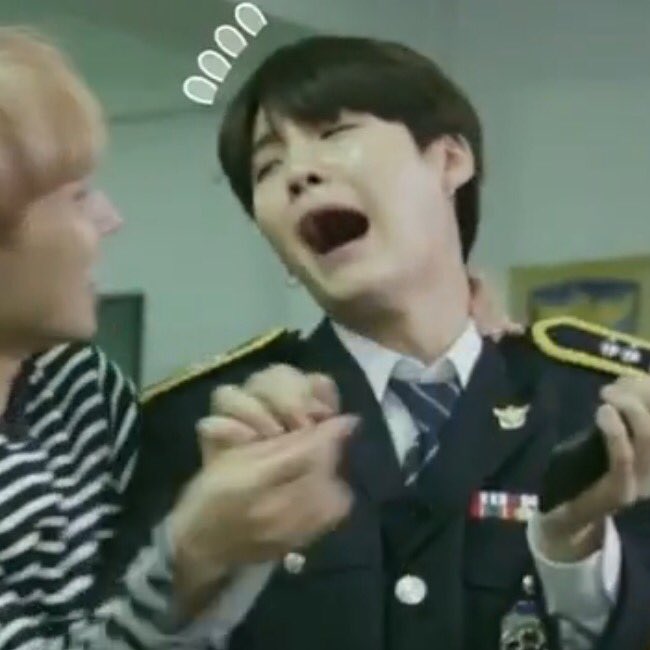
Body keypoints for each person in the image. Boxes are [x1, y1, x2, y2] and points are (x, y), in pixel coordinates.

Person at [113, 35, 650, 650]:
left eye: (335, 132)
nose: (298, 174)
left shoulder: (603, 406)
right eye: (267, 168)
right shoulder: (200, 430)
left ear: (449, 161)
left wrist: (576, 555)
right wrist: (208, 548)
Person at [0, 27, 356, 649]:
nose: (110, 220)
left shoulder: (79, 389)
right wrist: (194, 551)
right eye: (77, 197)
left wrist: (244, 470)